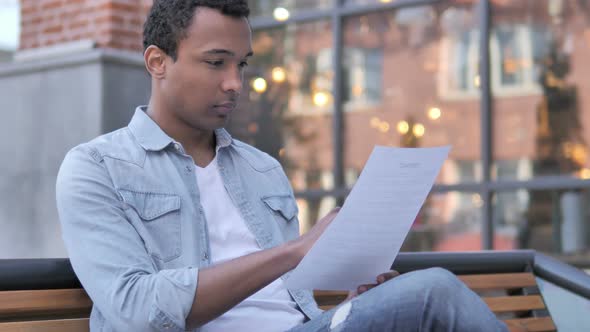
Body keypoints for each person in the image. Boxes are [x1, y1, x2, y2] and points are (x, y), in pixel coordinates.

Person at [56, 1, 508, 331]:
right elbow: (135, 310)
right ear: (157, 62)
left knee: (414, 302)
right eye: (215, 63)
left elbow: (290, 301)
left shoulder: (262, 170)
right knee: (434, 291)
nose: (234, 83)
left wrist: (356, 305)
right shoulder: (97, 168)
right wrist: (295, 251)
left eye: (242, 65)